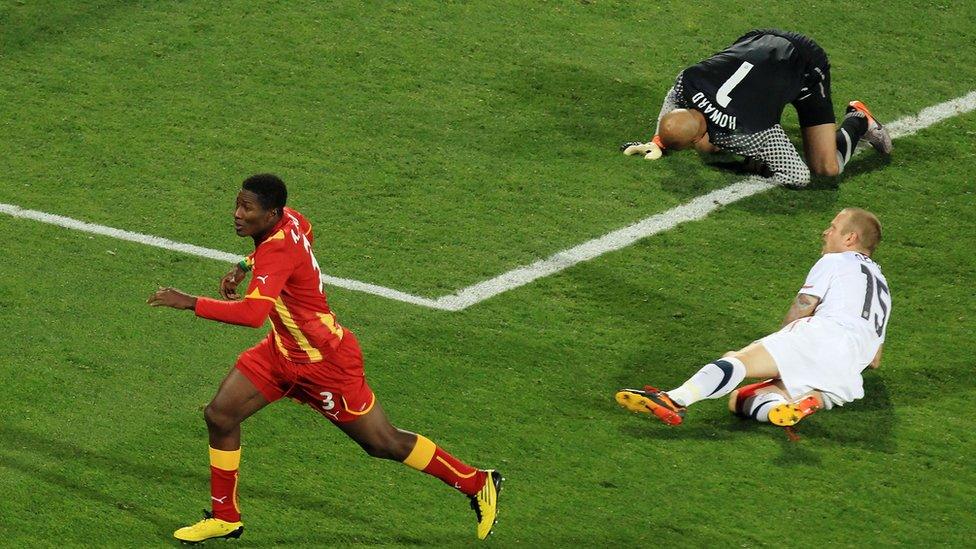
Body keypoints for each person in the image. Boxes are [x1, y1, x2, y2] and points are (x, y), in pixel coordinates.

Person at [147, 174, 502, 543]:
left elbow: (252, 315)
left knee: (382, 442)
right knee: (220, 414)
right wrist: (245, 264)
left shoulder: (277, 248)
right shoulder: (291, 221)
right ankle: (225, 517)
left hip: (325, 363)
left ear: (271, 213)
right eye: (237, 204)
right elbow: (307, 232)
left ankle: (476, 482)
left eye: (246, 208)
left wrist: (189, 301)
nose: (237, 214)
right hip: (281, 352)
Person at [616, 208, 891, 427]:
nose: (825, 232)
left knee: (739, 359)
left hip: (823, 334)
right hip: (851, 365)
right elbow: (875, 360)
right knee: (741, 399)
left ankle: (674, 399)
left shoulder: (835, 260)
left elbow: (804, 305)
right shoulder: (884, 287)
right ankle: (804, 402)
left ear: (850, 238)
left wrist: (781, 343)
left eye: (833, 228)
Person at [621, 29, 892, 187]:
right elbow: (673, 99)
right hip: (759, 41)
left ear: (693, 134)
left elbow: (798, 176)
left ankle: (859, 119)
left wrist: (749, 169)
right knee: (709, 147)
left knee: (826, 168)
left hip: (805, 65)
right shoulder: (690, 80)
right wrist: (658, 140)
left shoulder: (747, 132)